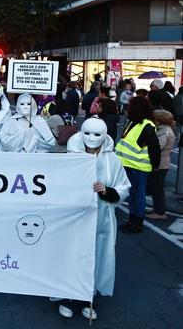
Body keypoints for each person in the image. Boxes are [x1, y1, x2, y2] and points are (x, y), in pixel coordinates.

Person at [58, 117, 130, 320]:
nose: (91, 138)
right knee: (72, 254)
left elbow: (124, 187)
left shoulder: (112, 160)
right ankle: (68, 295)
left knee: (96, 257)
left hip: (101, 219)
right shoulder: (71, 158)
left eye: (97, 134)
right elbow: (59, 184)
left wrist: (107, 191)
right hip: (75, 217)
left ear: (105, 136)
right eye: (87, 133)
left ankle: (88, 298)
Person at [116, 96, 160, 233]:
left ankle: (137, 222)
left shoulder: (147, 125)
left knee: (138, 194)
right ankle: (132, 219)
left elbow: (154, 147)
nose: (127, 107)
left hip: (139, 166)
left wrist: (155, 165)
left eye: (130, 105)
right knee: (132, 193)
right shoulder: (134, 122)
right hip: (129, 164)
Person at [146, 110, 175, 220]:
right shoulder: (164, 129)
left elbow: (158, 146)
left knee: (157, 188)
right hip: (162, 163)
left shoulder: (164, 131)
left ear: (159, 120)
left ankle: (160, 212)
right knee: (156, 188)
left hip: (160, 164)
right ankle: (157, 208)